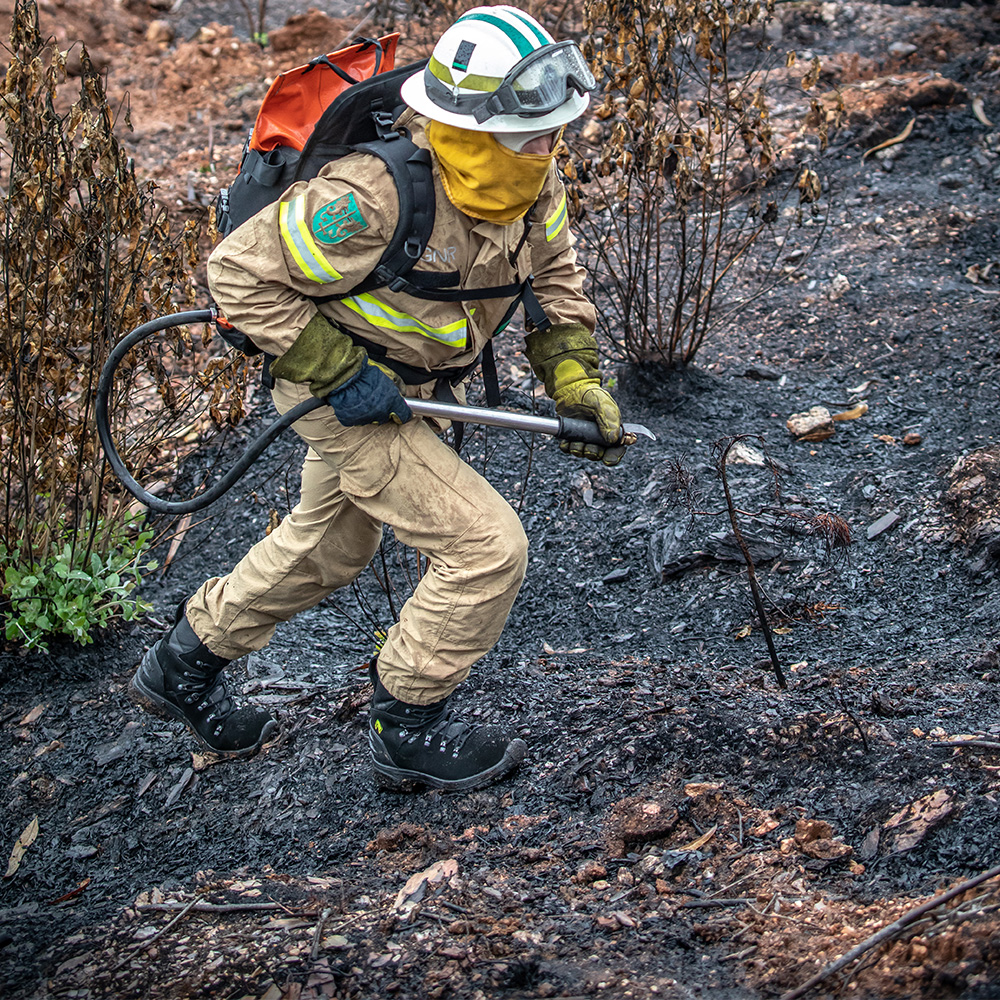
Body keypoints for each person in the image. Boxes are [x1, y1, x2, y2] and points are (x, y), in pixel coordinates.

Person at [129, 5, 627, 791]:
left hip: (413, 388)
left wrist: (576, 379)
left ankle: (180, 664)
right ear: (474, 127)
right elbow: (238, 272)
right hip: (341, 391)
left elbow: (554, 277)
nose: (553, 143)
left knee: (331, 546)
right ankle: (408, 724)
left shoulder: (531, 175)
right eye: (535, 133)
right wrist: (339, 372)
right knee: (485, 548)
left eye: (555, 131)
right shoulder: (373, 195)